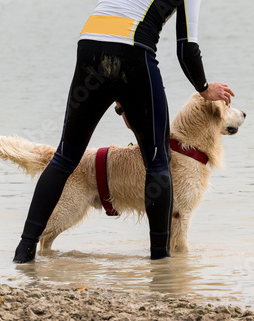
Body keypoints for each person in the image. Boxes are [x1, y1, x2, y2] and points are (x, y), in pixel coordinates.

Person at [13, 0, 235, 263]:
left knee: (64, 158)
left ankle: (24, 252)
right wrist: (204, 88)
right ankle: (161, 261)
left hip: (90, 41)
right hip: (133, 49)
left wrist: (123, 100)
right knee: (158, 161)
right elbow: (187, 48)